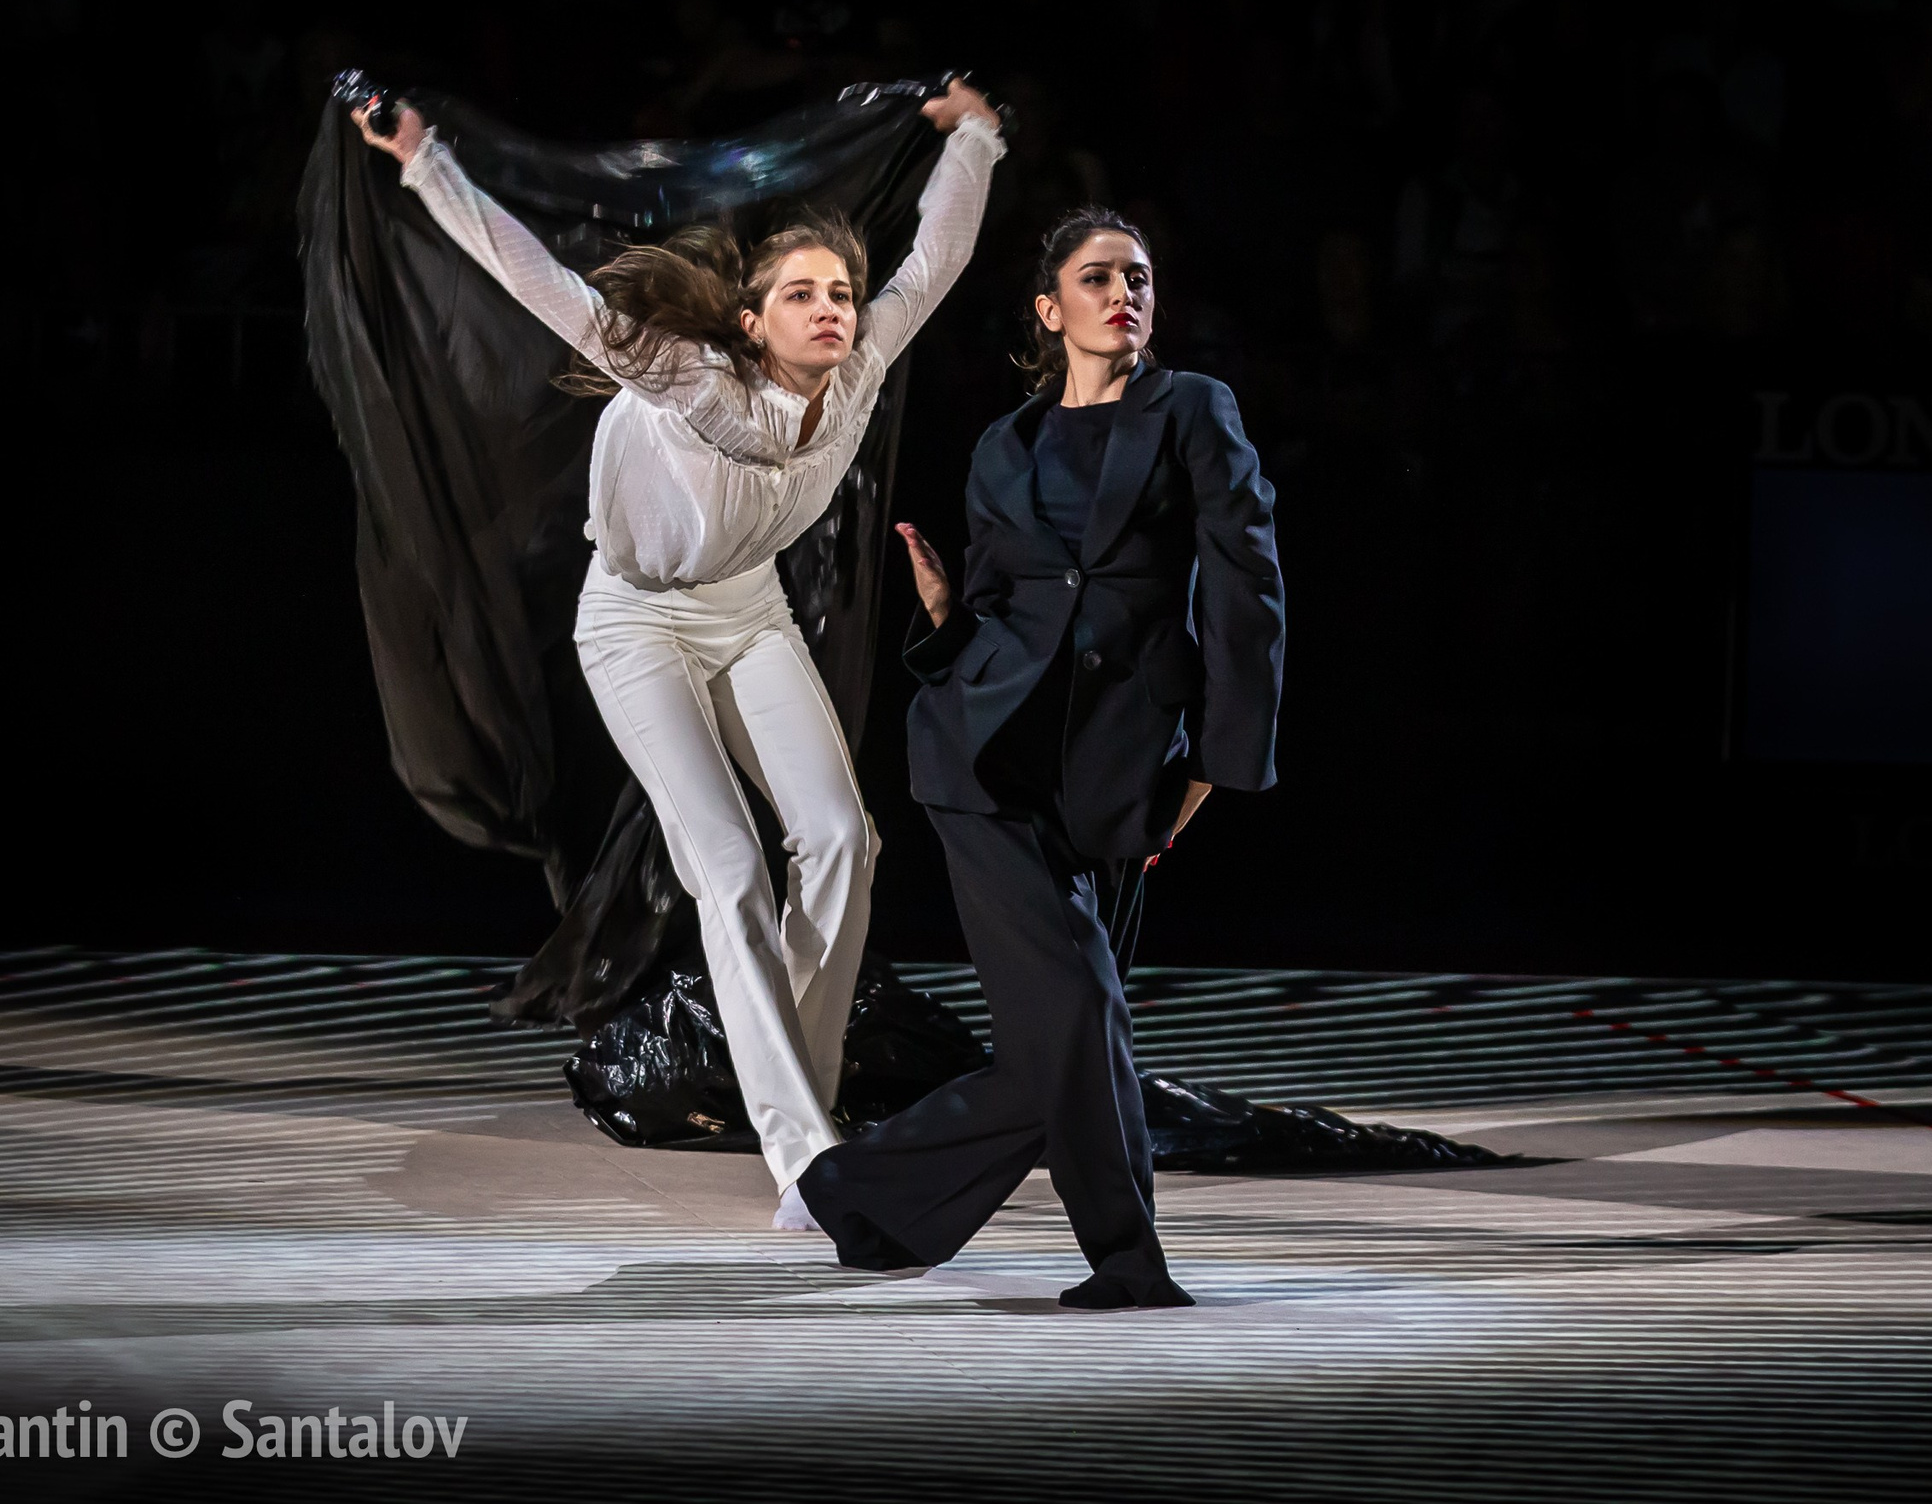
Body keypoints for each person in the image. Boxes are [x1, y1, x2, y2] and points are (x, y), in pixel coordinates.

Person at [352, 80, 1004, 1227]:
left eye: (840, 292)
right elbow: (538, 282)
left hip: (749, 614)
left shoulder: (858, 368)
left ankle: (794, 1096)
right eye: (800, 294)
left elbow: (937, 258)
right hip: (636, 622)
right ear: (750, 323)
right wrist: (424, 162)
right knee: (731, 868)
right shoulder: (689, 376)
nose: (832, 310)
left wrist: (977, 138)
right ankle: (805, 1157)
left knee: (843, 840)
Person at [796, 208, 1286, 1308]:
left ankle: (861, 1191)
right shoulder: (1003, 447)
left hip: (1117, 771)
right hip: (980, 765)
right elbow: (993, 611)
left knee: (1056, 1046)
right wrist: (942, 619)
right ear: (1048, 309)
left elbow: (1247, 588)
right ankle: (1128, 1260)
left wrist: (1215, 762)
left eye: (1139, 278)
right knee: (1077, 1019)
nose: (1123, 294)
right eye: (1098, 277)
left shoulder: (1192, 412)